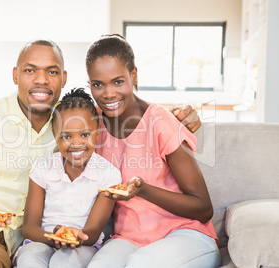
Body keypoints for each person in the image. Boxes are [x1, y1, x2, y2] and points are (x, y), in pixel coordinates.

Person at [0, 38, 202, 267]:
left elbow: (120, 103)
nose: (41, 80)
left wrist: (180, 115)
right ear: (16, 75)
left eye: (51, 72)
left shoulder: (75, 120)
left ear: (64, 79)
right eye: (31, 70)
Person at [85, 34, 221, 267]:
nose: (108, 94)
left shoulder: (160, 121)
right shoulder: (92, 124)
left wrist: (143, 190)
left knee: (142, 263)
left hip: (186, 234)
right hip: (129, 238)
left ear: (133, 75)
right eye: (98, 84)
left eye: (118, 81)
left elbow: (203, 208)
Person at [16, 88, 121, 268]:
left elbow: (93, 232)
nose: (76, 143)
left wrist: (75, 237)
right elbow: (30, 229)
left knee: (63, 262)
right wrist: (55, 237)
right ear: (56, 137)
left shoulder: (108, 174)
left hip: (84, 244)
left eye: (85, 135)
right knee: (30, 260)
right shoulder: (42, 167)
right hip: (43, 241)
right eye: (66, 136)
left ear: (97, 134)